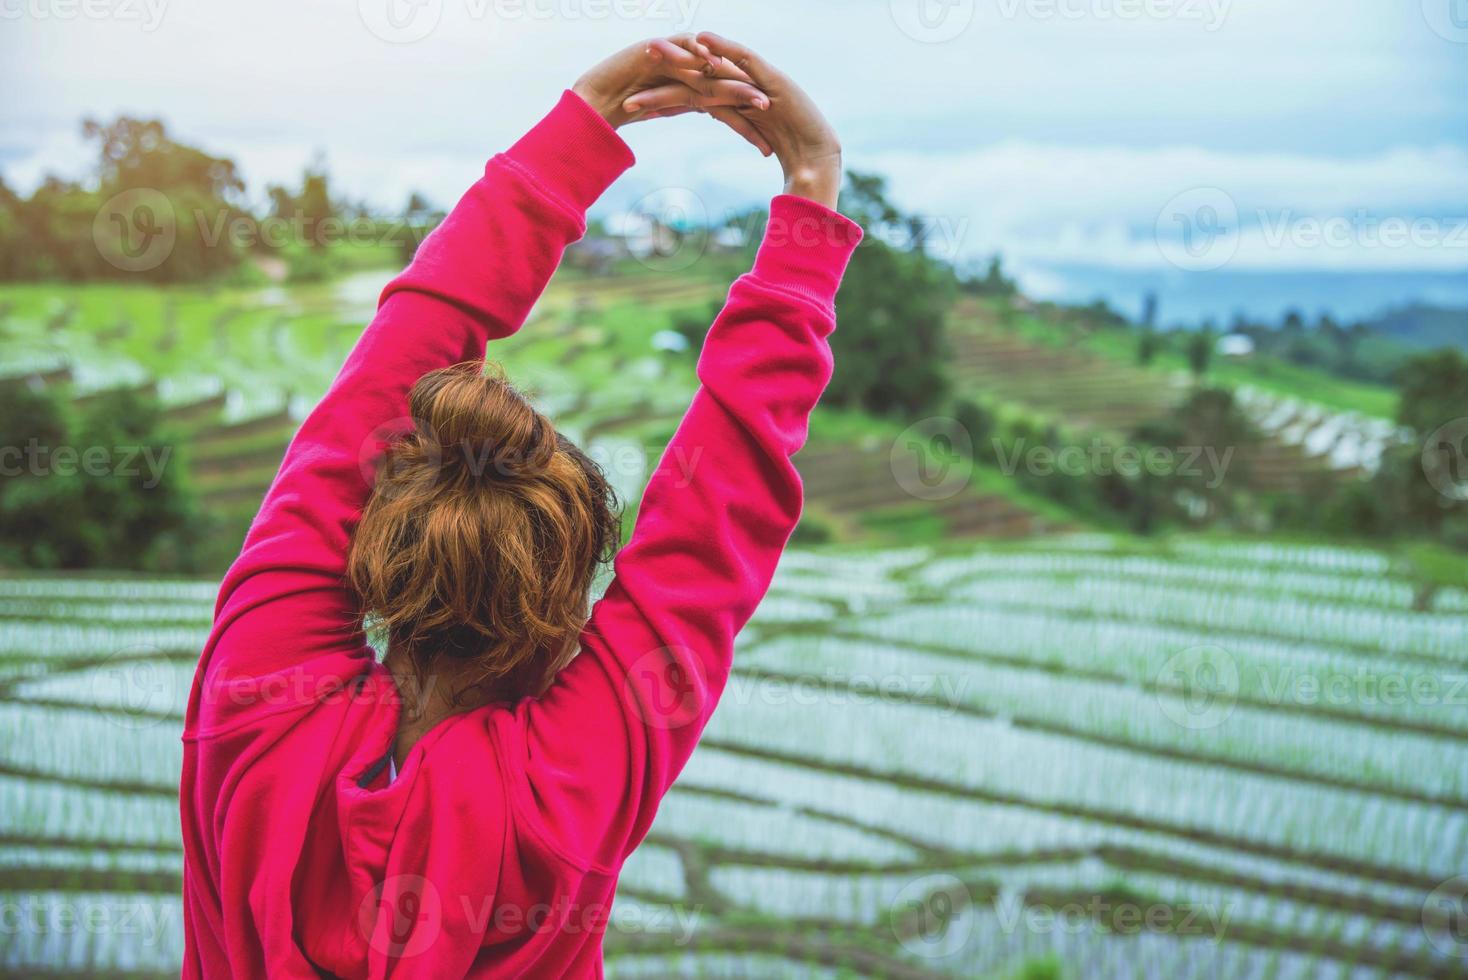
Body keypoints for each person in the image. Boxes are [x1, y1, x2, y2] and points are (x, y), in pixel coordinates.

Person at [179, 32, 861, 978]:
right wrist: (812, 183)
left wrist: (574, 132)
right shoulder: (565, 790)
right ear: (566, 610)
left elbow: (376, 384)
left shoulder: (255, 702)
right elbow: (715, 522)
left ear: (373, 552)